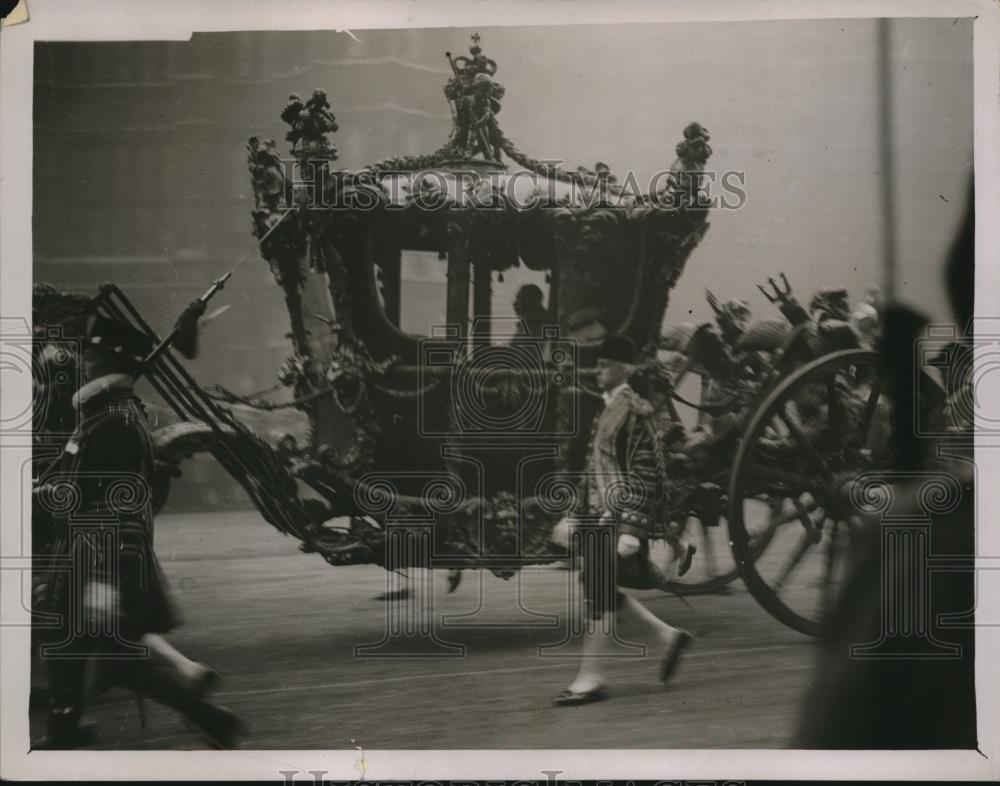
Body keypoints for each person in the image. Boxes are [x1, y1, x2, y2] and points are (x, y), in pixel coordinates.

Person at [34, 315, 244, 749]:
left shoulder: (113, 421)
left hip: (96, 557)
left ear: (110, 361)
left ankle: (66, 734)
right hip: (87, 553)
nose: (84, 361)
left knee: (76, 647)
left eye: (91, 355)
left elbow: (119, 507)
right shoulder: (102, 416)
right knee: (108, 657)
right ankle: (209, 718)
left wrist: (104, 583)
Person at [550, 334, 694, 706]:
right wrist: (573, 517)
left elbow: (646, 471)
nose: (597, 370)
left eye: (603, 364)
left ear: (624, 369)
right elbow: (592, 467)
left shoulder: (635, 410)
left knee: (597, 593)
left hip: (617, 518)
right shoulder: (607, 407)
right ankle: (668, 637)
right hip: (599, 516)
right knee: (598, 587)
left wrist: (631, 529)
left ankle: (591, 677)